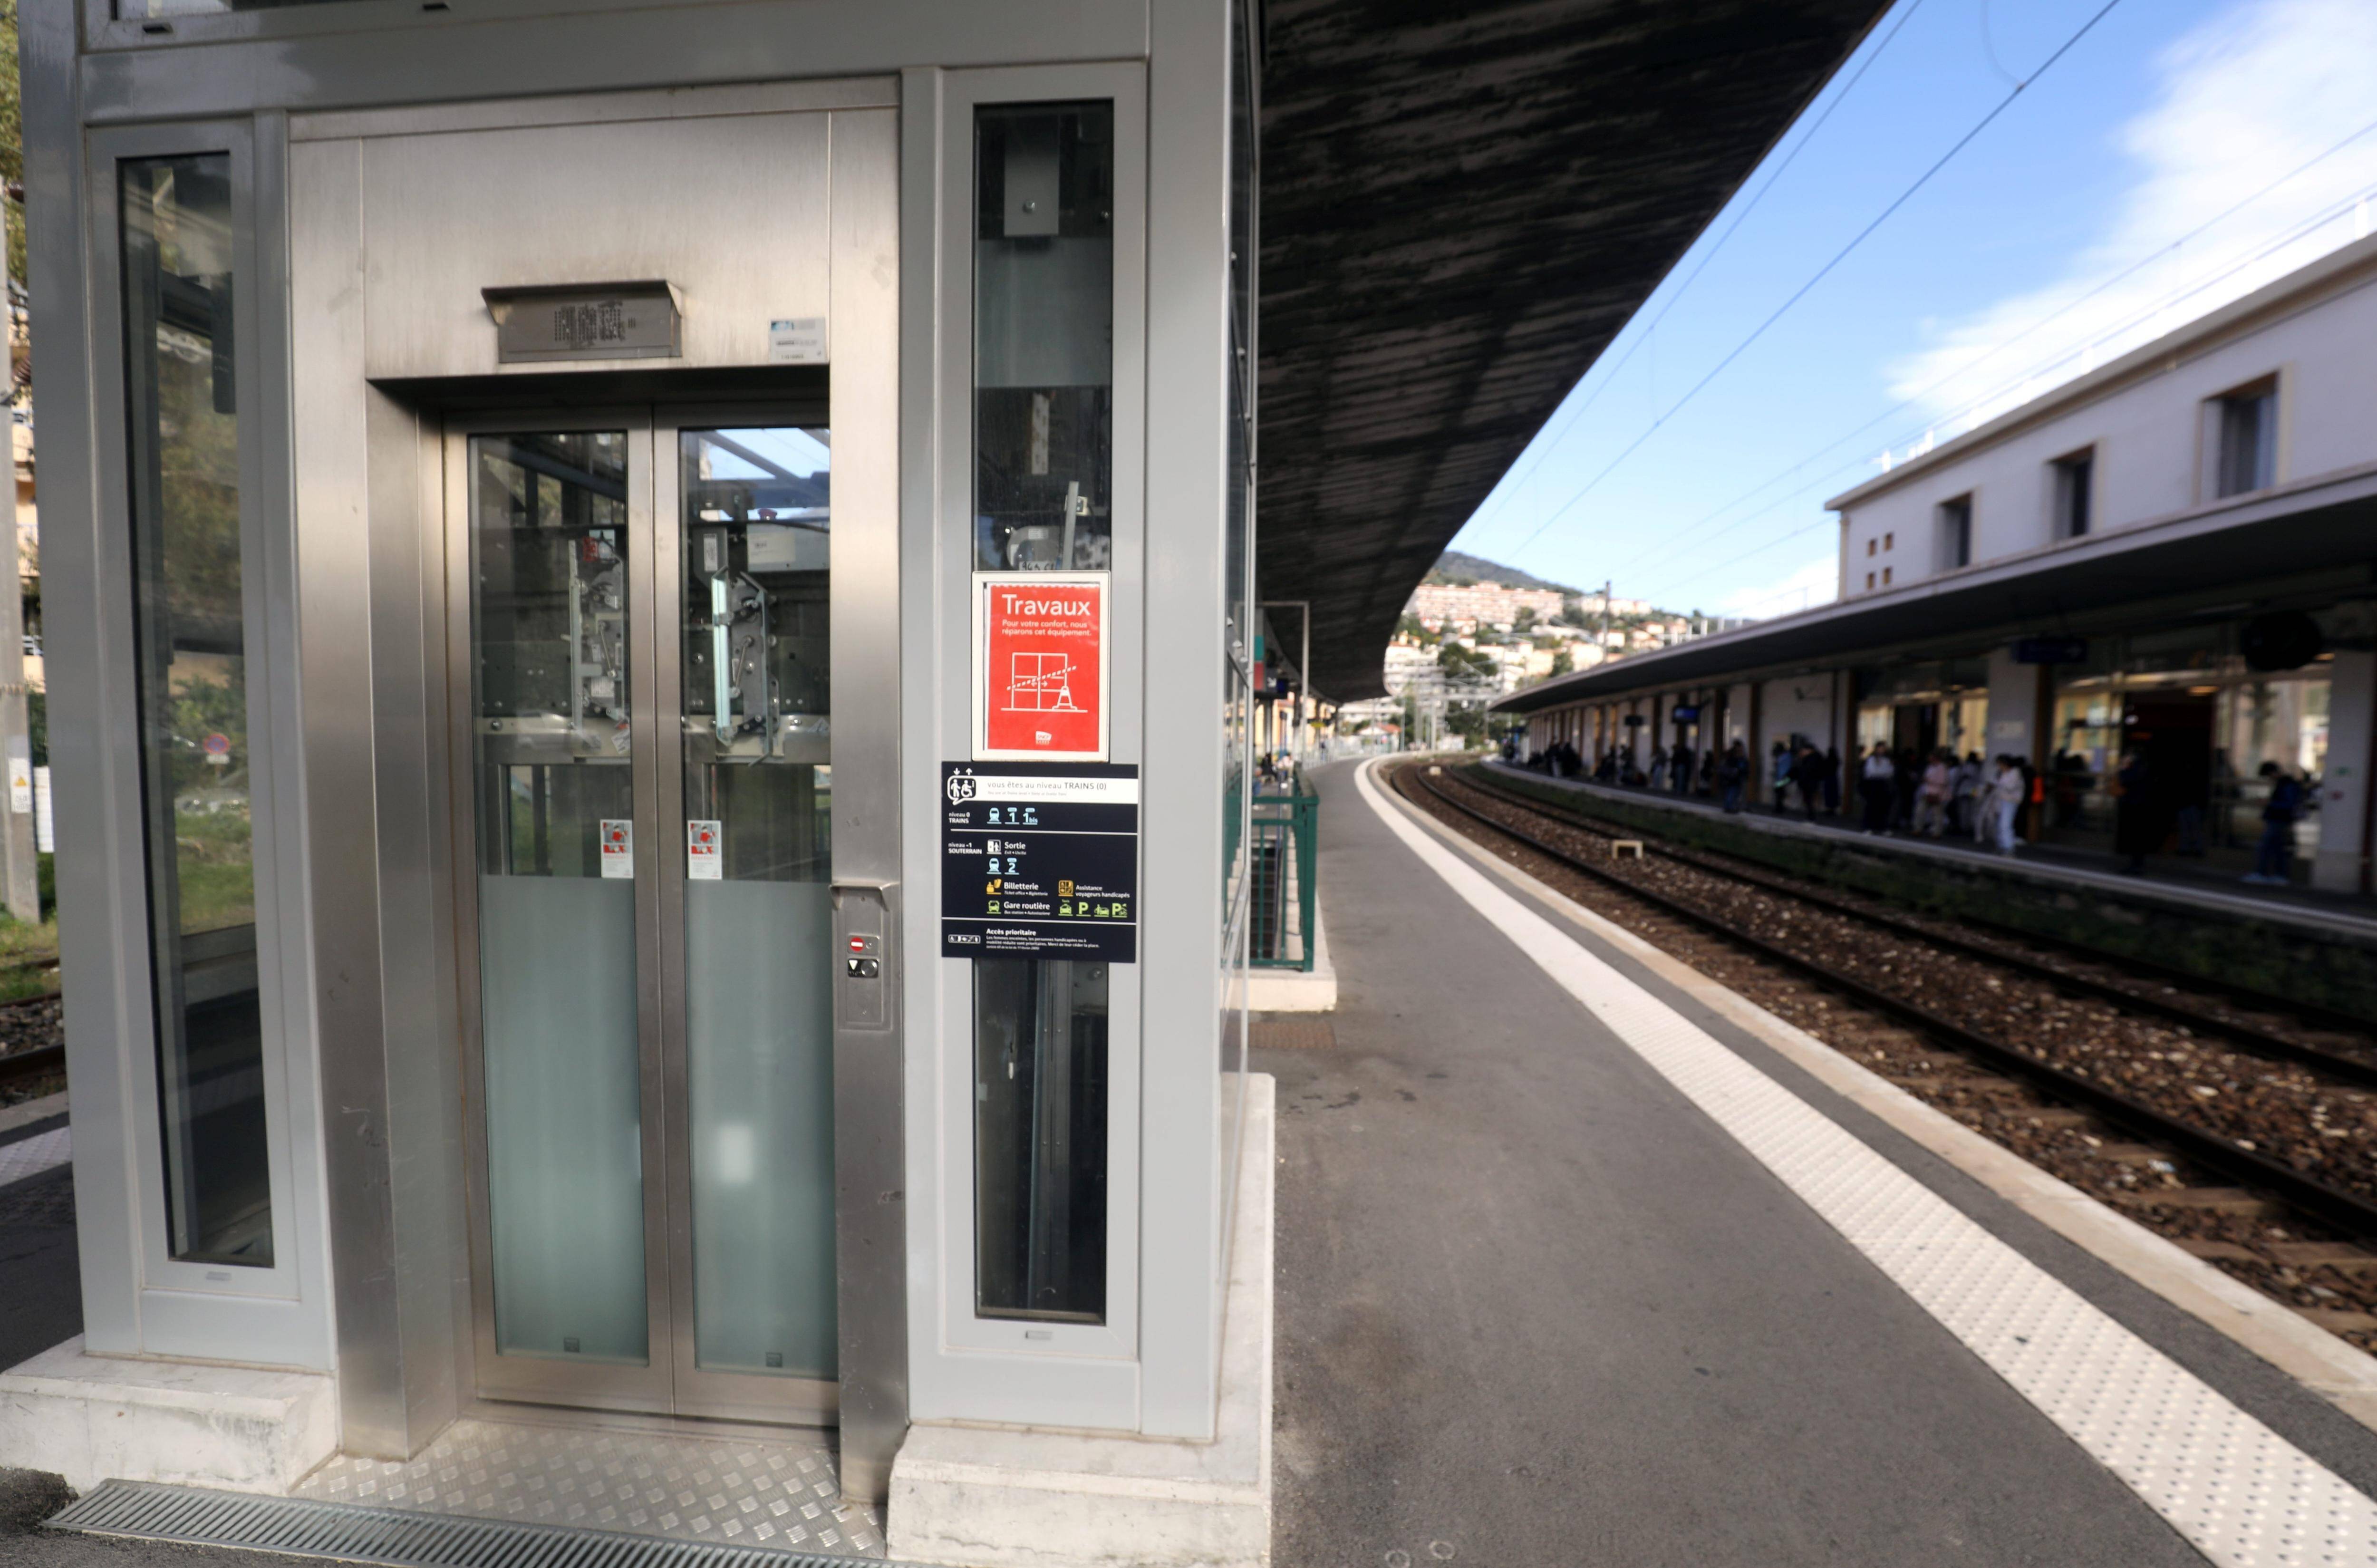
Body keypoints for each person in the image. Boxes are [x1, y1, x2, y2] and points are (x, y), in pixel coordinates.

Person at [2247, 760, 2304, 885]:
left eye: (2268, 776)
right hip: (2279, 820)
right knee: (2278, 849)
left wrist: (2269, 804)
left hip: (2279, 820)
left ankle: (2262, 873)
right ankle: (2279, 875)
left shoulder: (2287, 784)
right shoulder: (2285, 783)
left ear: (2272, 773)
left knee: (2266, 847)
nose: (2269, 779)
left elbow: (2288, 804)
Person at [2112, 749, 2155, 872]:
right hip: (2141, 807)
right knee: (2138, 837)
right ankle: (2137, 863)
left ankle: (2136, 865)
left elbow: (2124, 779)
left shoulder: (2136, 770)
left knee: (2136, 837)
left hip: (2136, 807)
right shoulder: (2144, 769)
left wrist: (2123, 767)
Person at [1983, 754, 2025, 853]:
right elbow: (1994, 783)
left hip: (2011, 801)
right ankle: (2001, 845)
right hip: (2000, 800)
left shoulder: (2015, 773)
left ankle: (2009, 847)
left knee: (2005, 824)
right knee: (1999, 824)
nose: (1999, 767)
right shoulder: (2001, 773)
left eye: (2000, 764)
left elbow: (2011, 787)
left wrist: (1999, 783)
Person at [1914, 750, 1952, 837]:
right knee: (1920, 811)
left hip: (1937, 794)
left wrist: (1929, 781)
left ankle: (1937, 832)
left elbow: (1943, 782)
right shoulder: (1930, 767)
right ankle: (1918, 829)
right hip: (1927, 792)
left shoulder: (1942, 768)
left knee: (1937, 814)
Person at [1858, 743, 1895, 833]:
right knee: (1871, 806)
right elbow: (1871, 772)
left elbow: (1890, 772)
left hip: (1883, 785)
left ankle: (1882, 827)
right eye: (1880, 748)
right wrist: (1882, 772)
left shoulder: (1887, 760)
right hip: (1873, 785)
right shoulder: (1871, 760)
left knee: (1883, 807)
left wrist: (1881, 772)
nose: (1882, 751)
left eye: (1883, 749)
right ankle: (1868, 827)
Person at [1951, 750, 1983, 838]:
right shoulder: (1977, 767)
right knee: (1970, 810)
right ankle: (1966, 826)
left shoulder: (1968, 766)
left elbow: (1964, 776)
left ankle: (1964, 827)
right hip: (1972, 790)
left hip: (1966, 790)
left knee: (1964, 810)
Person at [1790, 743, 1826, 822]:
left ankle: (1811, 817)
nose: (1803, 752)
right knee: (1809, 801)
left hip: (1809, 783)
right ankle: (1810, 816)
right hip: (1810, 783)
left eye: (1804, 750)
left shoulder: (1812, 759)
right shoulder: (1814, 758)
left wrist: (1801, 779)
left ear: (1809, 751)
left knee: (1809, 801)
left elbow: (1806, 771)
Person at [1718, 741, 1749, 813]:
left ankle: (1729, 807)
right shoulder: (1738, 757)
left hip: (1731, 778)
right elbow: (1742, 767)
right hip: (1735, 778)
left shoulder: (1730, 754)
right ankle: (1730, 807)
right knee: (1733, 793)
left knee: (1731, 792)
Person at [1769, 740, 1792, 811]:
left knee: (1780, 792)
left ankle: (1779, 807)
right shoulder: (1787, 756)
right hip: (1782, 777)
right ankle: (1779, 806)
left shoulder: (1785, 757)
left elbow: (1779, 765)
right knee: (1780, 791)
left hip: (1783, 777)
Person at [1822, 745, 1842, 816]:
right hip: (1834, 778)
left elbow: (1825, 768)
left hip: (1828, 778)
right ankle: (1833, 809)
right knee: (1833, 794)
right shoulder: (1836, 760)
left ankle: (1830, 809)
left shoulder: (1828, 760)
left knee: (1829, 794)